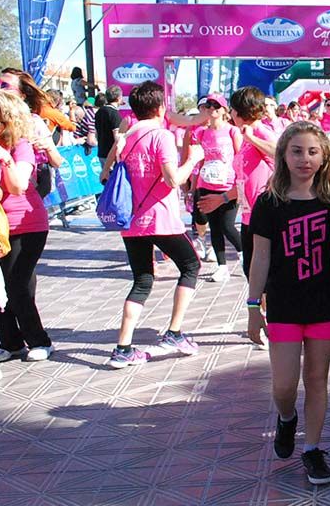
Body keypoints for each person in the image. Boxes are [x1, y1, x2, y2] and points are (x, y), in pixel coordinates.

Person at [247, 122, 330, 485]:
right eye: (297, 151)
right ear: (283, 155)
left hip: (325, 304)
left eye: (313, 151)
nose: (305, 159)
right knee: (284, 385)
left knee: (317, 379)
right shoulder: (269, 201)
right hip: (285, 306)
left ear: (324, 157)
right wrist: (253, 307)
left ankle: (313, 449)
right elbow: (259, 258)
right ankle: (287, 419)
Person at [98, 82, 204, 368]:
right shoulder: (162, 136)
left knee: (143, 280)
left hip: (131, 219)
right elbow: (173, 179)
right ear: (160, 108)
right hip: (160, 218)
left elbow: (105, 173)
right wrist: (193, 160)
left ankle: (123, 349)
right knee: (192, 266)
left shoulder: (125, 136)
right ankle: (174, 332)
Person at [0, 90, 55, 362]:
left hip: (25, 224)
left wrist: (3, 157)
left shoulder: (20, 145)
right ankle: (11, 342)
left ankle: (39, 341)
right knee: (2, 287)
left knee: (17, 286)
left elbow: (18, 185)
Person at [186, 95, 243, 283]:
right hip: (206, 184)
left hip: (228, 186)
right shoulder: (201, 132)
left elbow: (241, 158)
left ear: (224, 110)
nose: (212, 108)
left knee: (227, 226)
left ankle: (245, 256)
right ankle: (222, 267)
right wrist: (193, 187)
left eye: (216, 105)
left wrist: (240, 186)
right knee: (215, 228)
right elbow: (198, 160)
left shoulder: (233, 131)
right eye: (208, 105)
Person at [231, 87, 279, 279]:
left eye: (232, 108)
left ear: (241, 110)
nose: (230, 113)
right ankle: (260, 308)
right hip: (247, 214)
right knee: (250, 271)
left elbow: (281, 153)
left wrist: (252, 138)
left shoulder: (260, 131)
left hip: (264, 214)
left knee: (263, 274)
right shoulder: (244, 133)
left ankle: (268, 309)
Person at [95, 85, 124, 161]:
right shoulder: (114, 114)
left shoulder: (99, 112)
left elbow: (96, 133)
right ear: (118, 98)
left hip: (101, 152)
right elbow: (117, 137)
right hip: (112, 155)